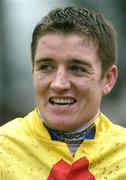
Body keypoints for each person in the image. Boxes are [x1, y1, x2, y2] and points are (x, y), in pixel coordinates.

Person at [0, 6, 126, 180]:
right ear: (33, 73)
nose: (59, 84)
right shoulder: (3, 150)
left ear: (108, 79)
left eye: (77, 68)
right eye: (46, 67)